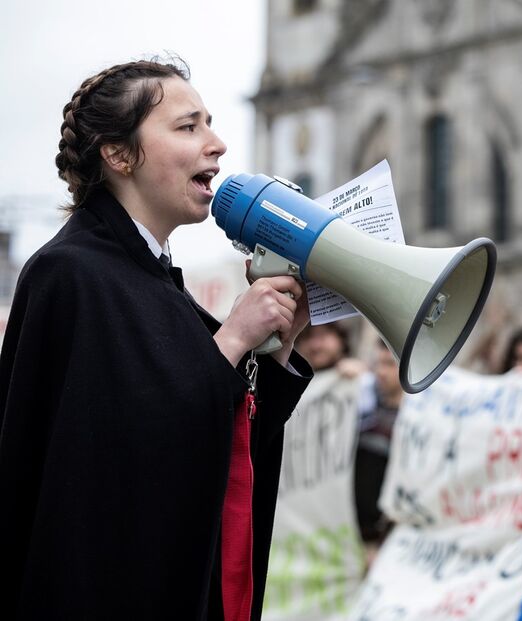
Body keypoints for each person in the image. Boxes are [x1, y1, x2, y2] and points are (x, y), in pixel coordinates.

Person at [0, 58, 313, 620]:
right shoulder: (69, 274)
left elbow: (215, 445)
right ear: (119, 156)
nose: (216, 144)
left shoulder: (155, 280)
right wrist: (233, 337)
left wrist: (275, 349)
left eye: (210, 123)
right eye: (187, 127)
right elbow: (111, 463)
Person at [354, 340, 403, 545]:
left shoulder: (415, 422)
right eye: (378, 364)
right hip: (356, 531)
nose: (381, 372)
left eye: (389, 364)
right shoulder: (365, 407)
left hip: (387, 538)